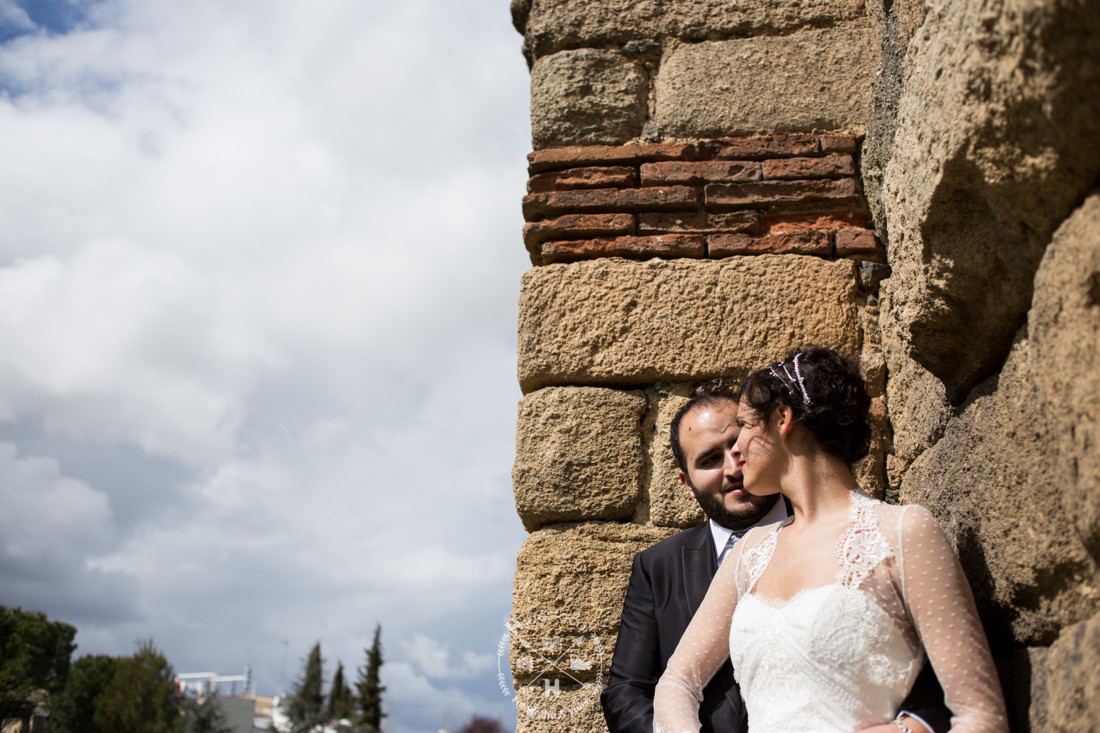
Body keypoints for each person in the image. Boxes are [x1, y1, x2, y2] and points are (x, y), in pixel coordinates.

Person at [653, 347, 1008, 733]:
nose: (735, 451)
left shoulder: (903, 532)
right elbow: (676, 683)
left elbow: (981, 716)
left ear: (782, 418)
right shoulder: (749, 553)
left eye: (745, 427)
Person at [602, 389, 946, 733]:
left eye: (737, 445)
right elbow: (627, 692)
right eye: (709, 460)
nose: (732, 467)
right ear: (687, 483)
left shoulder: (867, 534)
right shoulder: (657, 566)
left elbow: (932, 666)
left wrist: (909, 727)